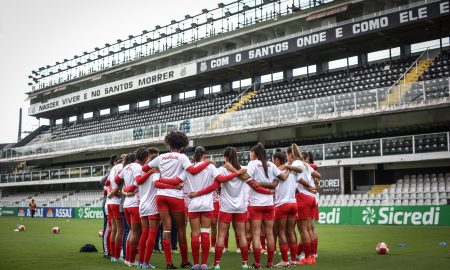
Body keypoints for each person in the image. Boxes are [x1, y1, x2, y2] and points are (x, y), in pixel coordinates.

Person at [190, 146, 275, 270]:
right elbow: (254, 186)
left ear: (225, 157)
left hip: (226, 207)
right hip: (240, 207)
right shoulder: (244, 170)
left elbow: (215, 185)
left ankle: (217, 264)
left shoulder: (222, 170)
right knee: (242, 235)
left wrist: (198, 193)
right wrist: (269, 192)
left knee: (221, 235)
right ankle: (245, 263)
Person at [144, 131, 212, 269]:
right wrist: (208, 163)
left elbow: (145, 168)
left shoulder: (160, 157)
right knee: (181, 229)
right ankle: (185, 261)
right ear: (182, 145)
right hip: (175, 196)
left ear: (169, 143)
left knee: (167, 230)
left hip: (161, 196)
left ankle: (169, 263)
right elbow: (192, 171)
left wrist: (159, 174)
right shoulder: (182, 157)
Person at [291, 145, 320, 265]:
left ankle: (307, 257)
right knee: (309, 229)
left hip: (303, 197)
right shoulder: (307, 165)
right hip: (311, 198)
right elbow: (318, 176)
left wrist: (308, 186)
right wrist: (315, 186)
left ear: (291, 155)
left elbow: (297, 179)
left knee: (303, 230)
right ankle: (312, 256)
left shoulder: (297, 163)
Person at [116, 153, 141, 266]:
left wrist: (125, 189)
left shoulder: (126, 167)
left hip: (126, 205)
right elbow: (138, 181)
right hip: (135, 203)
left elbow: (117, 179)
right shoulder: (137, 167)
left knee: (131, 232)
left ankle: (127, 259)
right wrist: (131, 188)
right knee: (136, 233)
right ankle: (130, 260)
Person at [107, 154, 126, 263]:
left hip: (110, 203)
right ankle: (117, 256)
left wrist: (111, 193)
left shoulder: (113, 168)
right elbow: (119, 182)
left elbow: (108, 183)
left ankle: (114, 255)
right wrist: (115, 193)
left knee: (114, 229)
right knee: (120, 230)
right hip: (116, 202)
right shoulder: (121, 168)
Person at [302, 151, 320, 259]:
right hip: (313, 198)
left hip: (307, 198)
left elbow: (315, 166)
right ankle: (313, 252)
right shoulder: (311, 169)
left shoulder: (307, 167)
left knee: (307, 228)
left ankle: (308, 254)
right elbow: (317, 181)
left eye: (305, 159)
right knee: (310, 228)